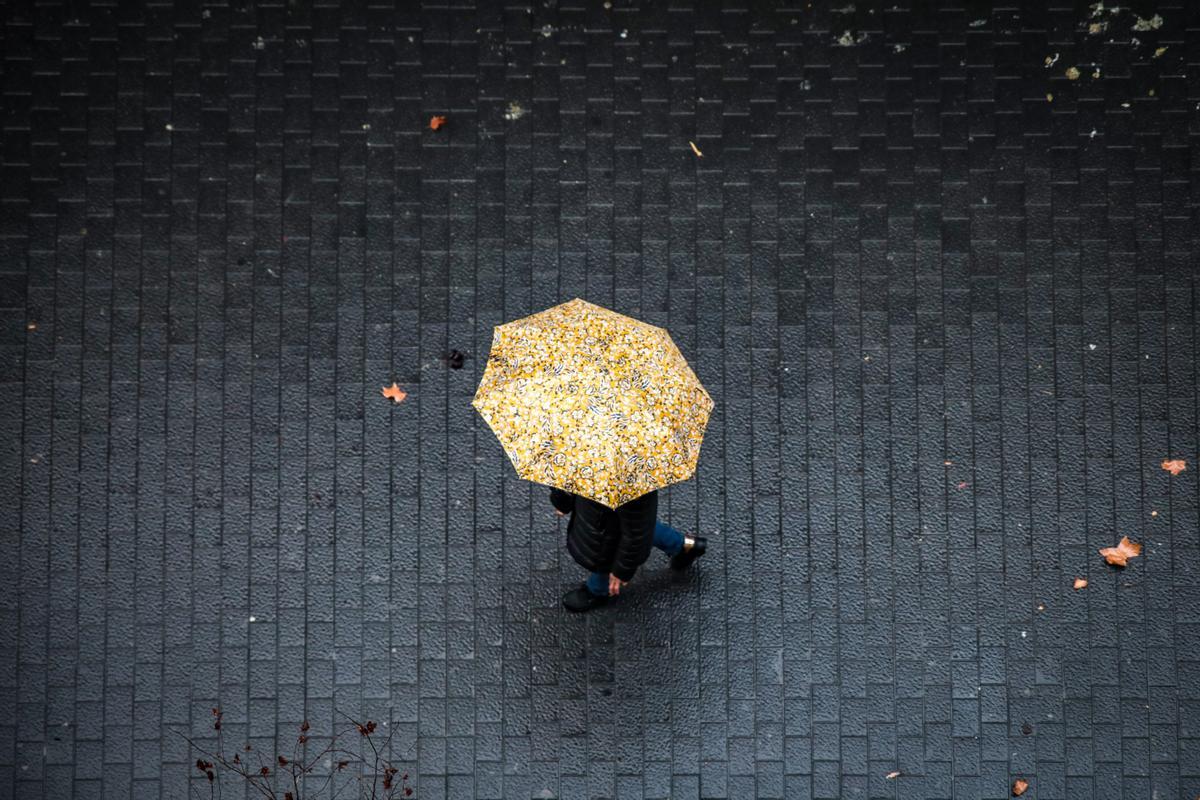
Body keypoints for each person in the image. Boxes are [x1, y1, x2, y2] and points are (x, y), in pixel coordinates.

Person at [550, 487, 707, 612]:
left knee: (606, 557)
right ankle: (684, 546)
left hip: (608, 531)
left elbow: (636, 534)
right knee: (642, 531)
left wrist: (621, 571)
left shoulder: (632, 489)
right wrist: (563, 500)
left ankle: (597, 591)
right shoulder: (588, 456)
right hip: (599, 518)